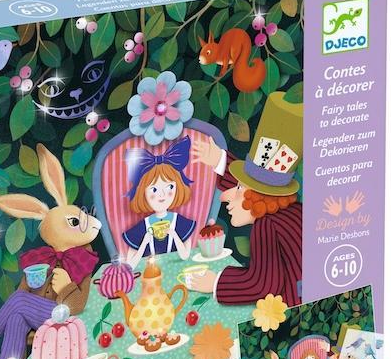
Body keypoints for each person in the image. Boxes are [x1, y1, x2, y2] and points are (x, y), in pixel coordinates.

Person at [189, 91, 303, 307]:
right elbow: (258, 185)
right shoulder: (292, 210)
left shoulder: (267, 226)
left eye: (239, 188)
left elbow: (263, 285)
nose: (225, 197)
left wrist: (215, 282)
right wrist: (218, 159)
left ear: (257, 197)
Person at [123, 135, 196, 267]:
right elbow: (130, 264)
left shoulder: (179, 222)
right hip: (150, 273)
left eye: (170, 187)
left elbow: (185, 255)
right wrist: (144, 243)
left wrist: (173, 234)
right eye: (154, 190)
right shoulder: (144, 226)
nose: (162, 195)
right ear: (142, 192)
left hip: (177, 270)